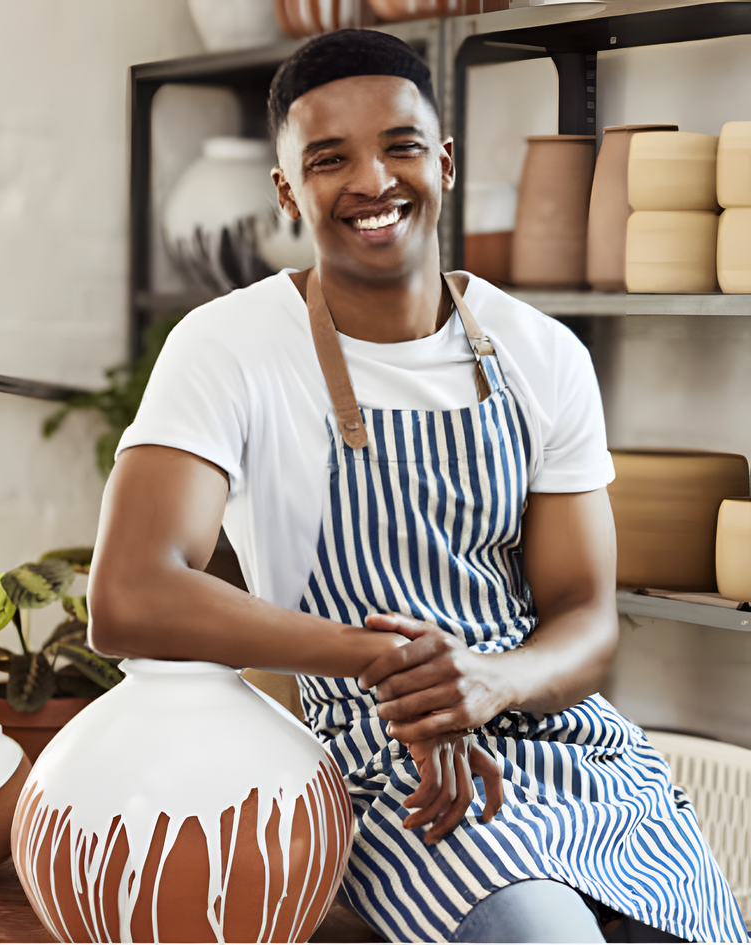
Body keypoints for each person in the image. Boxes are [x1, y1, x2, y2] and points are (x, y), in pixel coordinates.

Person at [88, 29, 747, 944]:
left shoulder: (541, 352)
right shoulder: (228, 346)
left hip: (560, 741)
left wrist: (488, 682)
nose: (373, 181)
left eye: (400, 145)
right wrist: (388, 666)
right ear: (287, 189)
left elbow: (585, 620)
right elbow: (129, 593)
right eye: (329, 159)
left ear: (443, 158)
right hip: (376, 767)